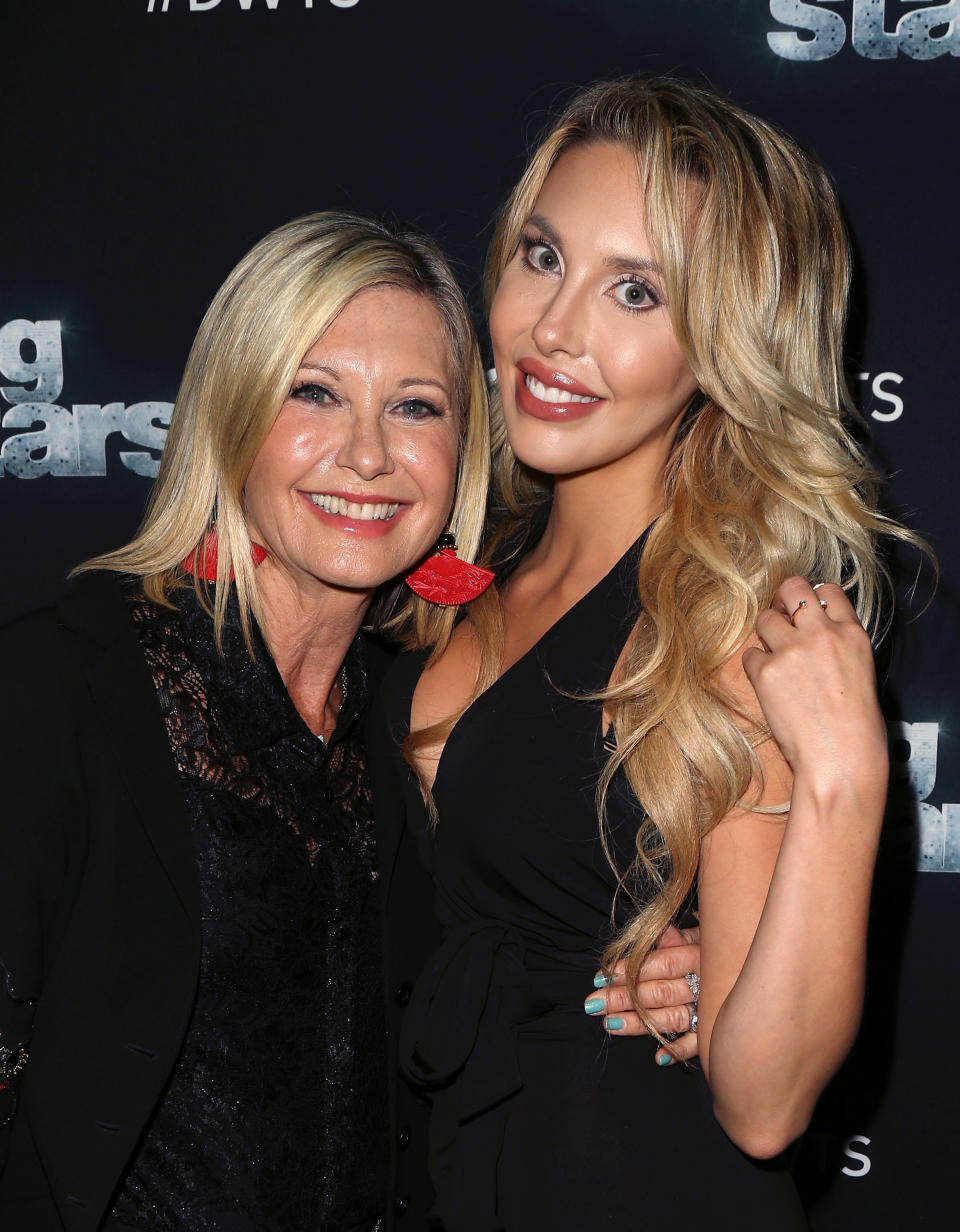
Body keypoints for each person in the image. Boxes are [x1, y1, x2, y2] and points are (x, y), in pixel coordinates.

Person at [373, 77, 915, 1230]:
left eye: (636, 292)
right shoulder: (462, 563)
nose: (554, 328)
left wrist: (844, 779)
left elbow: (766, 1104)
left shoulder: (735, 625)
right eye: (541, 255)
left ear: (726, 344)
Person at [0, 211, 492, 1232]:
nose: (367, 454)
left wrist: (663, 976)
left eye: (414, 406)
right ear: (228, 414)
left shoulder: (422, 727)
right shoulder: (59, 689)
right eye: (314, 393)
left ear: (460, 454)